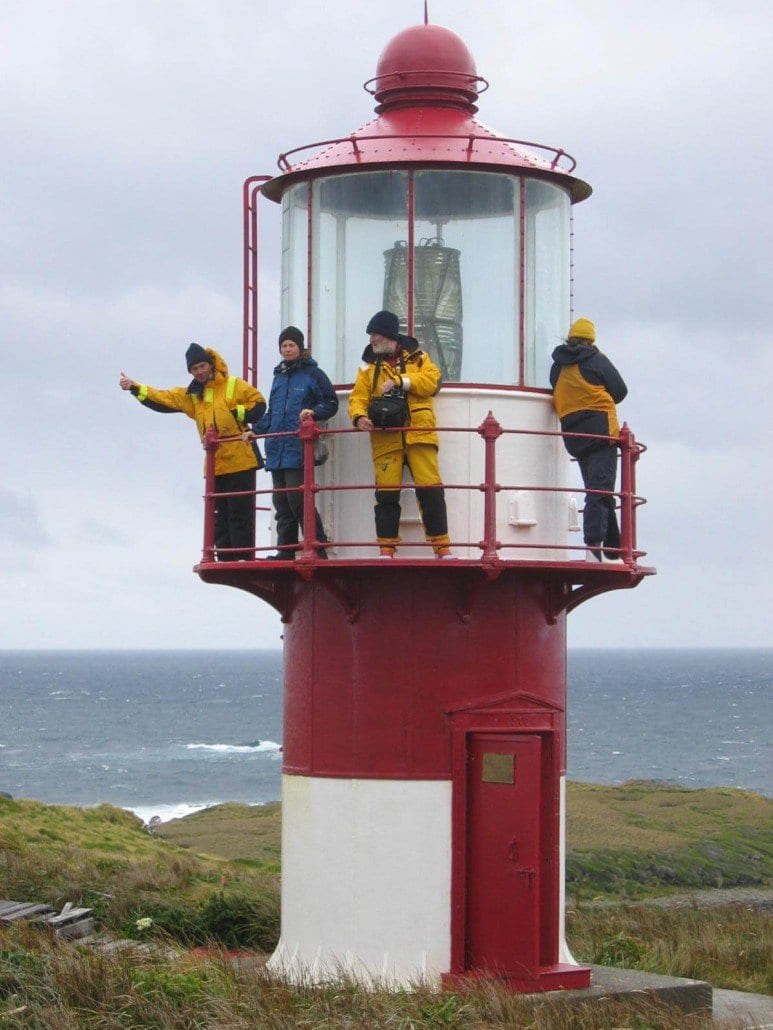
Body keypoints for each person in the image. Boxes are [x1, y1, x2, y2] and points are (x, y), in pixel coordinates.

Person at [119, 344, 265, 561]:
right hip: (216, 460)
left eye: (202, 366)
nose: (199, 371)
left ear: (211, 364)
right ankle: (225, 556)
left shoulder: (234, 385)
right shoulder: (192, 395)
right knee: (219, 513)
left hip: (240, 456)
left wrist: (237, 412)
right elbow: (163, 398)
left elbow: (259, 405)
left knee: (239, 510)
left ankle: (243, 555)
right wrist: (134, 387)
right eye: (194, 368)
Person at [349, 309, 452, 558]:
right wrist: (358, 417)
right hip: (386, 438)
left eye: (375, 334)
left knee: (431, 490)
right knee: (386, 494)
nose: (371, 340)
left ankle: (443, 548)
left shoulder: (419, 358)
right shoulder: (367, 369)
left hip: (419, 433)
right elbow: (358, 398)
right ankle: (386, 549)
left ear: (388, 336)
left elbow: (432, 381)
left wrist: (400, 380)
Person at [246, 326, 338, 560]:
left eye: (291, 345)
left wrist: (313, 412)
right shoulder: (279, 376)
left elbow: (330, 402)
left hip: (298, 446)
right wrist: (255, 431)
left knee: (298, 499)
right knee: (281, 502)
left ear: (300, 347)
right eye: (284, 346)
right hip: (277, 448)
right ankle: (285, 551)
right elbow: (273, 412)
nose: (287, 350)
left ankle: (317, 546)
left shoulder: (313, 374)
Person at [549, 317, 628, 561]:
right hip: (601, 431)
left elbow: (555, 387)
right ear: (591, 340)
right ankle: (593, 546)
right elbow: (620, 390)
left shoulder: (557, 366)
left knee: (599, 486)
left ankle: (614, 543)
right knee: (599, 488)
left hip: (573, 434)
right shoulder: (595, 359)